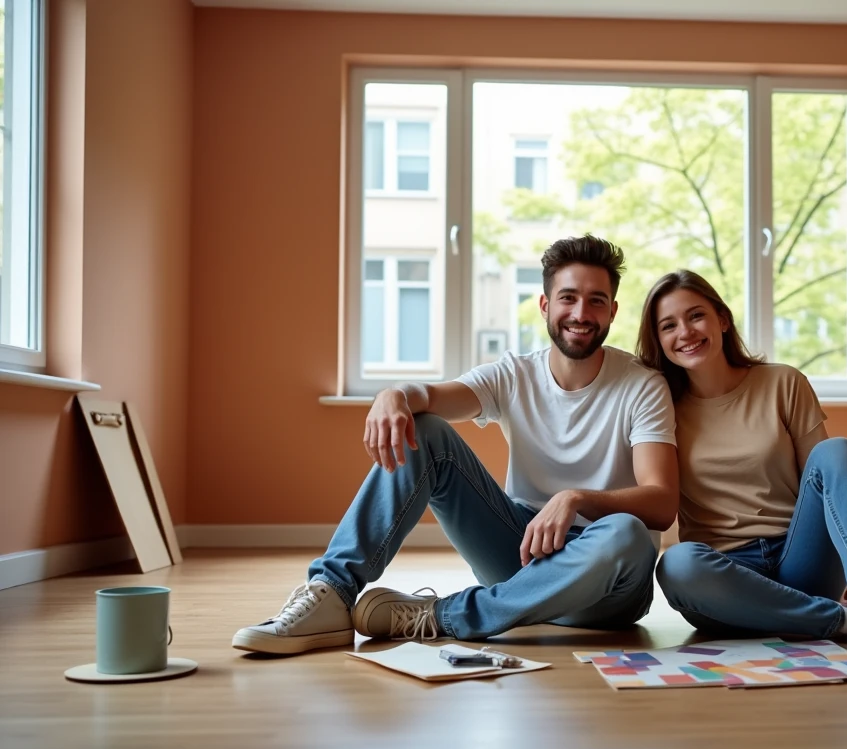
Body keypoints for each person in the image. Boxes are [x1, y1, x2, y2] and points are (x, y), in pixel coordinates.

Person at [233, 235, 678, 655]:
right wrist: (394, 395)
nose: (581, 312)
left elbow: (661, 503)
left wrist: (576, 498)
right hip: (522, 552)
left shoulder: (641, 385)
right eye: (568, 298)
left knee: (628, 533)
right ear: (545, 304)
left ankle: (444, 615)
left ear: (613, 311)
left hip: (607, 586)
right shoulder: (515, 374)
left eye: (595, 301)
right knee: (426, 431)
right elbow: (430, 397)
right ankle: (332, 593)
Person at [635, 270, 847, 665]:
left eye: (696, 315)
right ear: (659, 341)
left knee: (836, 450)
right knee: (678, 564)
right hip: (728, 580)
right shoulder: (657, 408)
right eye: (669, 325)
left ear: (722, 319)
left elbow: (827, 481)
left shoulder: (782, 382)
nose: (685, 331)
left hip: (800, 559)